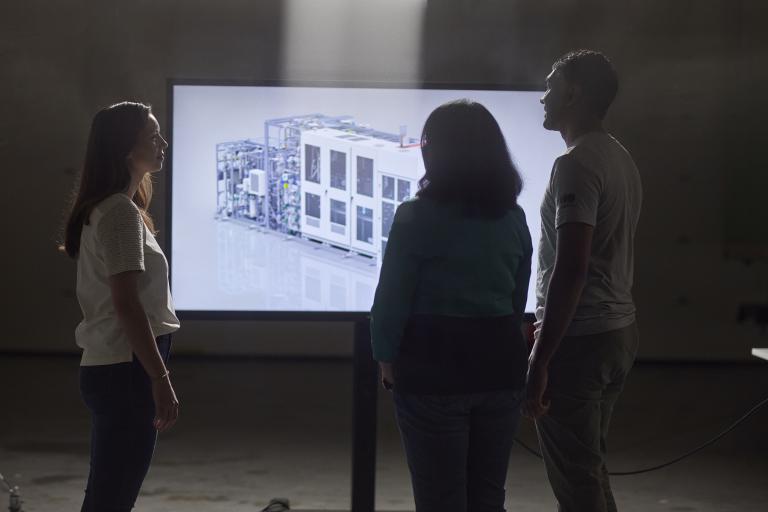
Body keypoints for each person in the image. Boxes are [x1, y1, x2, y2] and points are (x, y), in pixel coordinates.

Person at [370, 99, 532, 512]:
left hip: (432, 372)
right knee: (488, 498)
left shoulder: (414, 216)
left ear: (434, 152)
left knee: (441, 500)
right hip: (500, 371)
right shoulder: (513, 218)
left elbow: (391, 300)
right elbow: (517, 300)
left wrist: (387, 362)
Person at [522, 50, 642, 512]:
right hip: (617, 334)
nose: (543, 99)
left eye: (551, 86)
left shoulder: (575, 164)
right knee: (589, 467)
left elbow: (572, 266)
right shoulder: (621, 158)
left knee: (577, 483)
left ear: (573, 93)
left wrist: (540, 357)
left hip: (580, 340)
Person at [62, 101, 180, 512]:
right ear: (126, 149)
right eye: (153, 136)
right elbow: (127, 305)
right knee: (112, 497)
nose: (163, 143)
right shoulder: (119, 215)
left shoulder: (117, 210)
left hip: (116, 367)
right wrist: (159, 378)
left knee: (109, 492)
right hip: (125, 370)